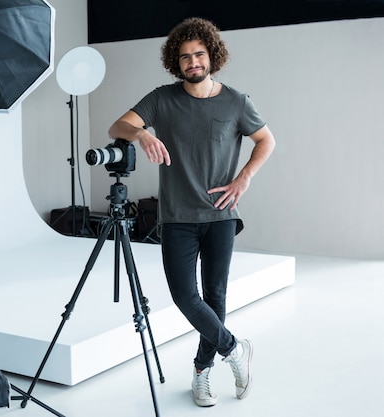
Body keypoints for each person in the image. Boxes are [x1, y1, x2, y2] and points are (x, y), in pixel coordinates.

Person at [108, 17, 276, 407]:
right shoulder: (162, 99)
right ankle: (235, 349)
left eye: (199, 53)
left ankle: (202, 371)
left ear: (211, 55)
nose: (192, 61)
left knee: (215, 298)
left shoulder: (236, 101)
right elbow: (117, 125)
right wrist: (142, 132)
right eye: (184, 56)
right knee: (186, 295)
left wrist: (244, 177)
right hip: (178, 216)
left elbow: (266, 139)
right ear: (176, 62)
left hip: (220, 214)